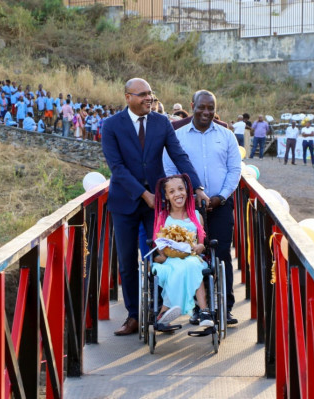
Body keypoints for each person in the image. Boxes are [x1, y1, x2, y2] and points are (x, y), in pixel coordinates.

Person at [101, 78, 208, 336]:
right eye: (142, 95)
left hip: (156, 205)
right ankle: (134, 316)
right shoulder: (111, 125)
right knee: (127, 262)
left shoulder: (161, 123)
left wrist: (197, 187)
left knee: (162, 254)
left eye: (150, 94)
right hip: (124, 202)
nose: (148, 99)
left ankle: (161, 312)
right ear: (128, 97)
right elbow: (116, 168)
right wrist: (142, 194)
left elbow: (179, 155)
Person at [164, 89, 242, 326]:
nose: (206, 112)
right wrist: (186, 198)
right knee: (193, 256)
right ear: (192, 106)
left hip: (220, 205)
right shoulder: (178, 135)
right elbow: (170, 170)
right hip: (188, 209)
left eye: (211, 108)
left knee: (221, 255)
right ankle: (201, 308)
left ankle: (225, 307)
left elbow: (234, 170)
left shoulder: (227, 136)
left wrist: (221, 197)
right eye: (202, 107)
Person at [151, 174, 213, 327]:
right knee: (177, 268)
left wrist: (200, 246)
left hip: (192, 257)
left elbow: (201, 243)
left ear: (187, 190)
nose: (177, 194)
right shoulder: (163, 217)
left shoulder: (196, 216)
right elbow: (158, 243)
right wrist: (167, 252)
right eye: (172, 192)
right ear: (166, 196)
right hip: (170, 259)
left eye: (180, 189)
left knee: (192, 265)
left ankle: (203, 311)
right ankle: (165, 312)